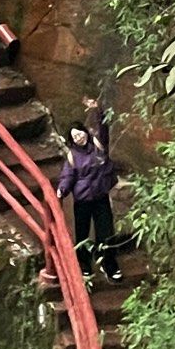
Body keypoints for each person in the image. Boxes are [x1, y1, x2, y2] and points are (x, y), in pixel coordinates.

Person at [57, 117, 121, 282]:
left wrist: (99, 112)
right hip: (83, 200)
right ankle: (84, 263)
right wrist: (62, 190)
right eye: (75, 137)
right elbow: (68, 176)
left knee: (106, 231)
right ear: (72, 141)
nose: (80, 138)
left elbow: (104, 130)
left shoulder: (97, 145)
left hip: (101, 196)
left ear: (85, 132)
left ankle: (108, 263)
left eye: (80, 134)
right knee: (82, 233)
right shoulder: (72, 156)